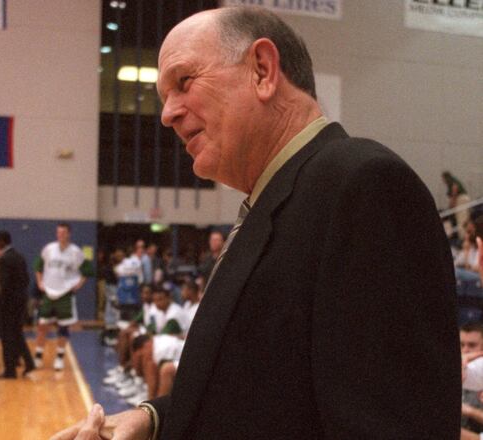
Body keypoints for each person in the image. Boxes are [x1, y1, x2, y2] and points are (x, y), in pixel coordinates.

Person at [52, 6, 457, 439]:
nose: (167, 114)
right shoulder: (281, 196)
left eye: (184, 82)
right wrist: (153, 419)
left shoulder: (362, 185)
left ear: (262, 71)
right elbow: (264, 393)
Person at [33, 222, 91, 371]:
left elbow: (88, 270)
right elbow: (38, 266)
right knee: (42, 325)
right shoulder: (49, 249)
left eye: (63, 232)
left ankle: (59, 358)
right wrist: (40, 282)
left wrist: (79, 284)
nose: (60, 235)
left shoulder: (76, 252)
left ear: (68, 233)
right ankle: (38, 356)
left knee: (63, 328)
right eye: (58, 232)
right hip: (49, 292)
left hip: (65, 293)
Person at [0, 230, 35, 379]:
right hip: (20, 303)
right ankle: (29, 363)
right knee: (17, 334)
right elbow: (26, 280)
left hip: (8, 305)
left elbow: (5, 285)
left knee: (7, 337)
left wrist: (0, 302)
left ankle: (10, 370)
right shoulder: (20, 256)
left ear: (2, 241)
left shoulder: (4, 258)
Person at [443, 171, 472, 241]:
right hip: (464, 199)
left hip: (461, 199)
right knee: (464, 218)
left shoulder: (450, 181)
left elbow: (454, 188)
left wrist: (453, 201)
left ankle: (464, 238)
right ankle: (464, 237)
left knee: (461, 219)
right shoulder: (453, 180)